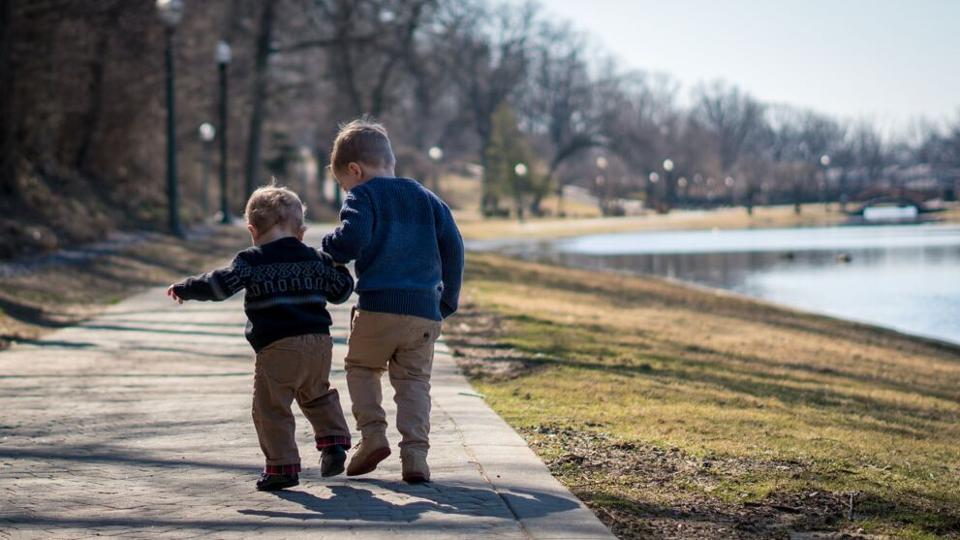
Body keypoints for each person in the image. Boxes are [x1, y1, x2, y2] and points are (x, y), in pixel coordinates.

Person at [167, 185, 354, 491]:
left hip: (278, 346)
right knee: (317, 394)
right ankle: (333, 443)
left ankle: (282, 467)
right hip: (319, 343)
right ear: (301, 231)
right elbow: (341, 291)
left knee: (271, 407)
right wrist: (339, 267)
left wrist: (186, 288)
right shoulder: (315, 258)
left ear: (252, 230)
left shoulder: (250, 260)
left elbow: (219, 286)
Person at [322, 119, 464, 484]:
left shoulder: (363, 196)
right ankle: (415, 456)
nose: (346, 190)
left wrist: (329, 247)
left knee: (362, 368)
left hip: (378, 306)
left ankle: (372, 436)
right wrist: (447, 299)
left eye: (343, 184)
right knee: (415, 381)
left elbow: (351, 240)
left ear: (355, 170)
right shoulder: (428, 198)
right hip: (424, 311)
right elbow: (454, 248)